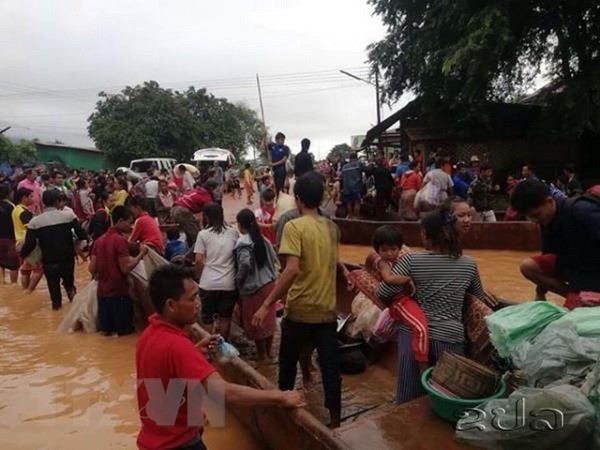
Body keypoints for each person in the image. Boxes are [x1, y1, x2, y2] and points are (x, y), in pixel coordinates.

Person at [136, 264, 305, 450]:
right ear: (171, 305)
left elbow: (164, 385)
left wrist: (194, 352)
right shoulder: (178, 346)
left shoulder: (148, 335)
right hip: (179, 443)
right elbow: (224, 392)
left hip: (154, 440)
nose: (198, 303)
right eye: (192, 298)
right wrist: (279, 396)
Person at [253, 172, 344, 428]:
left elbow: (291, 269)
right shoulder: (332, 228)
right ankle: (336, 421)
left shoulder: (294, 226)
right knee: (330, 369)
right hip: (327, 310)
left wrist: (266, 303)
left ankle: (285, 416)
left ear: (298, 199)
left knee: (286, 365)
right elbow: (331, 263)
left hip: (300, 310)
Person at [378, 206, 486, 404]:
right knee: (445, 400)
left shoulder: (411, 260)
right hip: (452, 339)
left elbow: (383, 293)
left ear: (426, 235)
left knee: (408, 402)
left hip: (413, 338)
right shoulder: (469, 264)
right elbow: (480, 298)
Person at [510, 180, 600, 307]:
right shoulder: (546, 220)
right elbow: (548, 253)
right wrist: (540, 294)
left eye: (536, 215)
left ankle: (586, 299)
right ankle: (575, 296)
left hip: (593, 268)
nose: (534, 221)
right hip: (578, 265)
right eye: (530, 217)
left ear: (550, 201)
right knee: (528, 267)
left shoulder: (583, 212)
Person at [20, 190, 88, 310]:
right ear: (57, 201)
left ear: (43, 202)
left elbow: (29, 244)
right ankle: (75, 313)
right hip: (67, 259)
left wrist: (22, 255)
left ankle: (56, 315)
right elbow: (82, 235)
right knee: (70, 287)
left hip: (49, 262)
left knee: (54, 294)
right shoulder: (68, 216)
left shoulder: (35, 222)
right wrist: (77, 248)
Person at [372, 226, 428, 369]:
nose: (389, 253)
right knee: (420, 327)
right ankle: (422, 366)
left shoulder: (402, 258)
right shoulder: (383, 263)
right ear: (378, 250)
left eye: (393, 249)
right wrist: (408, 279)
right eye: (384, 250)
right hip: (398, 302)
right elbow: (389, 279)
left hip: (404, 299)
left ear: (399, 248)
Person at [89, 206, 148, 336]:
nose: (131, 226)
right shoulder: (120, 241)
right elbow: (125, 267)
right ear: (120, 221)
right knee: (125, 334)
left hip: (102, 295)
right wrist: (141, 254)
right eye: (129, 222)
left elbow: (92, 268)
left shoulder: (98, 241)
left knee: (106, 333)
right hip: (118, 294)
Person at [235, 209, 278, 361]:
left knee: (256, 322)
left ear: (240, 225)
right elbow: (274, 259)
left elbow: (245, 263)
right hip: (269, 285)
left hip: (253, 288)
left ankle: (262, 357)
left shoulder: (243, 242)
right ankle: (270, 354)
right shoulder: (264, 240)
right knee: (268, 320)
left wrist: (238, 279)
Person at [194, 203, 239, 339]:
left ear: (206, 217)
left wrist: (199, 277)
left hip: (208, 284)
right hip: (228, 284)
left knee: (207, 318)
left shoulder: (203, 234)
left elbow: (199, 260)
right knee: (225, 318)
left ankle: (210, 347)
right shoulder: (233, 232)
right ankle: (222, 345)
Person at [12, 187, 43, 291]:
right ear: (24, 198)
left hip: (18, 242)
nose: (33, 198)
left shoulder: (15, 209)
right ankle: (29, 291)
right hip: (27, 242)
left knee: (25, 269)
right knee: (39, 269)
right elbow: (30, 230)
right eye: (31, 196)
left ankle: (25, 291)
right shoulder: (25, 212)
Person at [171, 181, 217, 246]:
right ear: (212, 188)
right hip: (182, 210)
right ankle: (195, 253)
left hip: (175, 208)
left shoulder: (197, 190)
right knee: (196, 235)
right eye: (216, 189)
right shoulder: (206, 197)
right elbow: (209, 214)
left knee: (190, 231)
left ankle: (190, 248)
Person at [0, 183, 19, 284]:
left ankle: (2, 282)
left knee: (1, 262)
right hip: (10, 239)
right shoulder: (11, 206)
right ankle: (14, 286)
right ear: (8, 194)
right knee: (14, 265)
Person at [341, 152, 364, 219]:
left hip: (347, 188)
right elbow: (367, 169)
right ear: (356, 158)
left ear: (350, 158)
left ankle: (350, 216)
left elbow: (342, 176)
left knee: (349, 203)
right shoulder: (358, 164)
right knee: (357, 202)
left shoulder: (344, 166)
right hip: (356, 187)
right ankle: (356, 217)